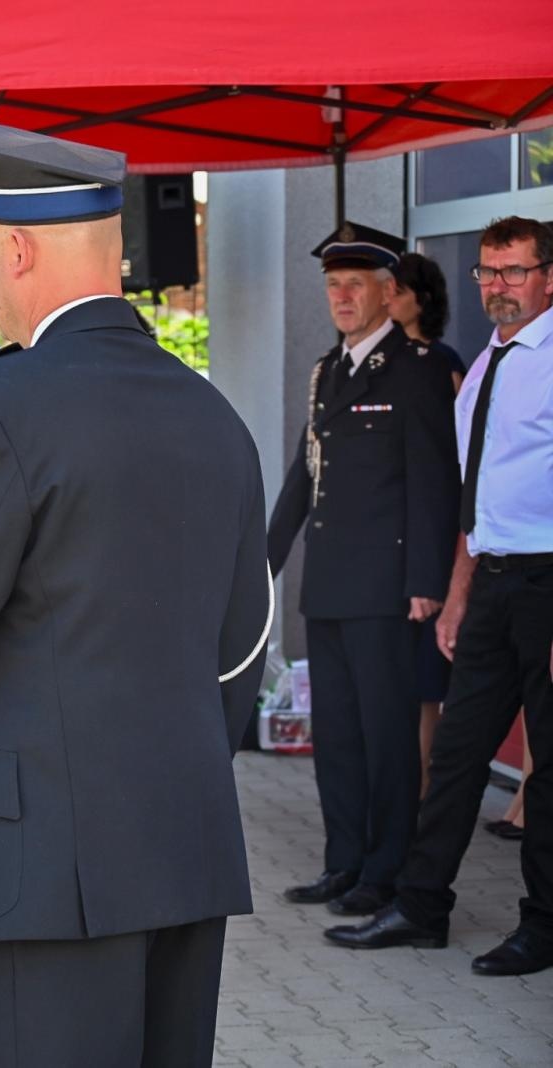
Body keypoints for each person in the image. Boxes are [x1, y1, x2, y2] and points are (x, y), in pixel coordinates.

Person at [0, 125, 273, 1067]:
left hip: (47, 854)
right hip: (186, 837)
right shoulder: (210, 410)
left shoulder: (0, 405)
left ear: (14, 248)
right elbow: (244, 644)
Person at [327, 216, 553, 977]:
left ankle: (543, 925)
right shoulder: (487, 364)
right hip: (489, 580)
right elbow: (472, 497)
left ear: (549, 276)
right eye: (488, 273)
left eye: (514, 272)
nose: (498, 287)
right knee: (456, 755)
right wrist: (458, 594)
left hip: (547, 582)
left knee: (546, 767)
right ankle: (422, 907)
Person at [266, 223, 459, 918]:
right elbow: (304, 474)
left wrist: (427, 582)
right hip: (330, 584)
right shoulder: (330, 370)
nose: (342, 297)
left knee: (387, 737)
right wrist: (263, 560)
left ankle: (387, 871)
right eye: (333, 286)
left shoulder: (420, 368)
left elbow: (435, 483)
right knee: (338, 738)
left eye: (356, 286)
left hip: (389, 587)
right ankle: (343, 863)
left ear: (388, 293)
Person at [390, 250, 466, 790]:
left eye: (397, 288)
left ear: (423, 300)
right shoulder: (367, 364)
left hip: (429, 549)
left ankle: (421, 799)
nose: (385, 296)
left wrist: (434, 573)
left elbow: (451, 472)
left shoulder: (442, 366)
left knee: (423, 689)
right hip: (381, 552)